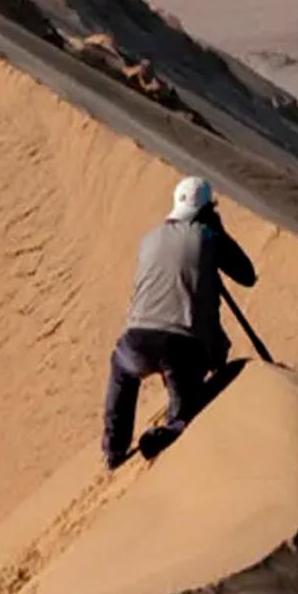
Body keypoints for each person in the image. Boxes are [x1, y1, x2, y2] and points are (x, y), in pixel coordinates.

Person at [102, 175, 257, 467]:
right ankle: (171, 429)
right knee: (185, 410)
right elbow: (247, 275)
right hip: (182, 347)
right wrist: (219, 233)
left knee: (122, 369)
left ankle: (114, 450)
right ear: (208, 209)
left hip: (136, 340)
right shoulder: (209, 237)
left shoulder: (149, 239)